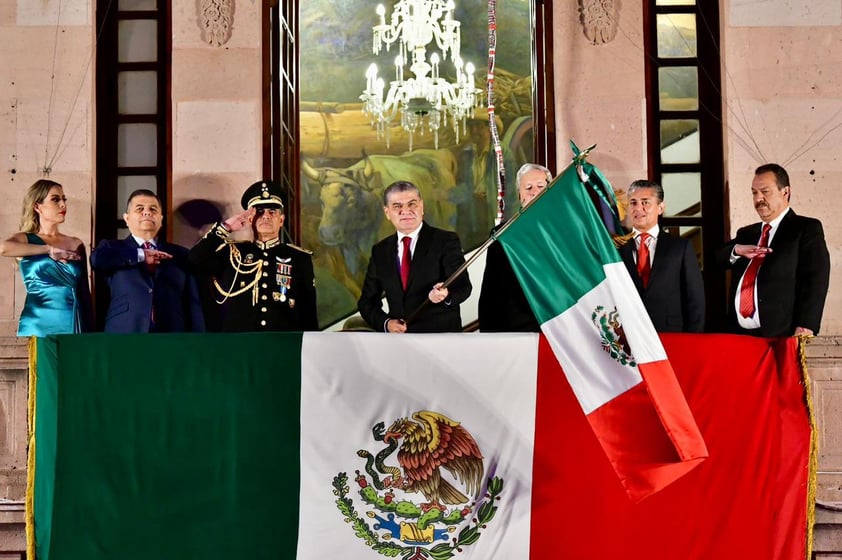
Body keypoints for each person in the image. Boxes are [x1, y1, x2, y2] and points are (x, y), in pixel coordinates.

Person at [189, 180, 318, 332]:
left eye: (272, 212)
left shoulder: (298, 258)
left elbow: (308, 311)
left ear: (281, 220)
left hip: (282, 345)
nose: (266, 217)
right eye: (260, 212)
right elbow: (194, 261)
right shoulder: (233, 252)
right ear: (250, 219)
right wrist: (226, 228)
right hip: (240, 344)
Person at [719, 163, 830, 337]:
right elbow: (715, 257)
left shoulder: (805, 229)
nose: (758, 199)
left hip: (781, 335)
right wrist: (737, 250)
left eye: (765, 191)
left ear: (785, 192)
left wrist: (806, 325)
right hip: (739, 336)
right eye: (754, 193)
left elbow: (815, 280)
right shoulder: (747, 233)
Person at [358, 180, 472, 333]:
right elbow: (367, 301)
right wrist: (386, 323)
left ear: (421, 206)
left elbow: (463, 287)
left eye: (412, 204)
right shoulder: (380, 251)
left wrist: (446, 295)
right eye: (397, 206)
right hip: (400, 342)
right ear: (387, 213)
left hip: (441, 340)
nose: (406, 211)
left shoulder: (445, 241)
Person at [91, 189, 205, 333]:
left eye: (153, 209)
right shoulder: (111, 248)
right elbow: (97, 260)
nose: (147, 212)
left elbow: (192, 302)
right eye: (139, 209)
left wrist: (198, 339)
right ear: (126, 218)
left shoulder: (181, 254)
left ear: (161, 219)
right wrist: (141, 255)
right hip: (125, 331)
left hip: (172, 333)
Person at [0, 179, 93, 336]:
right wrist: (48, 250)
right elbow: (3, 248)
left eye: (64, 199)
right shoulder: (26, 239)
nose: (63, 205)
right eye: (55, 199)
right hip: (37, 323)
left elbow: (85, 293)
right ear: (37, 206)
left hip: (72, 322)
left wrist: (91, 332)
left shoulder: (75, 243)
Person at [618, 180, 705, 333]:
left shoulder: (680, 247)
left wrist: (692, 341)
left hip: (671, 334)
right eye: (633, 203)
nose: (639, 208)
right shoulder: (616, 248)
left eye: (645, 202)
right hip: (628, 335)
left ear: (660, 207)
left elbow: (695, 300)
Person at [478, 163, 552, 332]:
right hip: (515, 328)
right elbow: (491, 290)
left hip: (557, 325)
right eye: (528, 188)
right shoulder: (503, 234)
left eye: (541, 186)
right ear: (520, 195)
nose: (534, 192)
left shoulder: (565, 230)